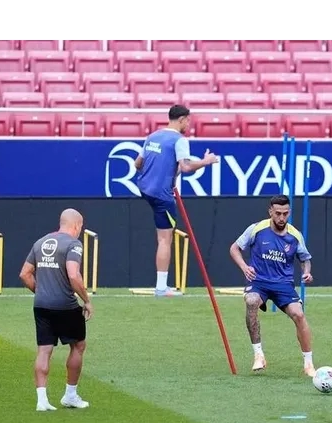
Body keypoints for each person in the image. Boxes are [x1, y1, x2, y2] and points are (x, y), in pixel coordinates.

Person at [134, 104, 219, 297]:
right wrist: (206, 162)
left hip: (145, 189)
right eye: (188, 121)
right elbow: (186, 167)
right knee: (165, 239)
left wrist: (161, 171)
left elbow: (138, 164)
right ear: (181, 119)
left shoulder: (153, 136)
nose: (189, 125)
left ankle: (161, 287)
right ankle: (161, 288)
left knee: (163, 237)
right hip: (162, 195)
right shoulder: (180, 140)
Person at [229, 195, 316, 377]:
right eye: (278, 213)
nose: (282, 218)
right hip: (259, 281)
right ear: (270, 211)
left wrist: (307, 272)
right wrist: (244, 267)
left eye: (285, 213)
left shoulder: (295, 235)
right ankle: (258, 355)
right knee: (251, 301)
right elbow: (234, 248)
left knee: (299, 315)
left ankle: (308, 364)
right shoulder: (256, 229)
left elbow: (305, 258)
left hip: (283, 284)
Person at [19, 208, 94, 412]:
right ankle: (70, 395)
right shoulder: (73, 244)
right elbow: (73, 275)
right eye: (81, 227)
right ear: (76, 225)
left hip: (41, 305)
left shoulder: (40, 242)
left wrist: (41, 291)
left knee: (44, 350)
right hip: (65, 305)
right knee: (78, 345)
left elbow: (25, 274)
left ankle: (42, 400)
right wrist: (86, 300)